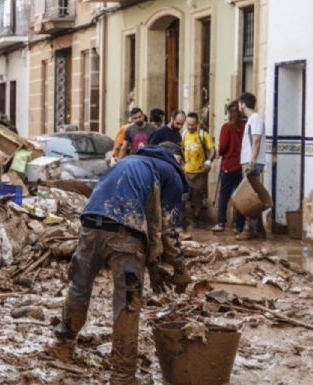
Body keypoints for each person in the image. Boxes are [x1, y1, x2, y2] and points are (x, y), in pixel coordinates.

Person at [48, 143, 191, 385]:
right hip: (126, 234)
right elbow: (166, 227)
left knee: (79, 288)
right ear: (177, 158)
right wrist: (180, 268)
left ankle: (64, 345)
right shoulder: (172, 173)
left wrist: (153, 265)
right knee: (127, 303)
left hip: (90, 225)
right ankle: (122, 376)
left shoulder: (128, 161)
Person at [236, 92, 267, 240]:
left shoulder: (255, 119)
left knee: (249, 197)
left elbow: (256, 141)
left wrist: (252, 162)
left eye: (239, 103)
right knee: (255, 196)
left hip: (251, 163)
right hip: (251, 162)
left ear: (242, 104)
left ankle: (248, 230)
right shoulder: (252, 119)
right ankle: (259, 229)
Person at [212, 101, 246, 233]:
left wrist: (219, 152)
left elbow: (223, 146)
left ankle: (221, 223)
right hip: (240, 166)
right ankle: (239, 226)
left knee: (224, 196)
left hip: (228, 166)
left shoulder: (226, 127)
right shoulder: (243, 127)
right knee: (239, 196)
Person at [181, 112, 216, 227]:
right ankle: (187, 219)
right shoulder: (184, 134)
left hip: (200, 172)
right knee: (186, 197)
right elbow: (181, 150)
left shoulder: (203, 135)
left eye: (193, 125)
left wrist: (208, 161)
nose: (190, 127)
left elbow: (212, 150)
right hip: (187, 171)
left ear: (197, 124)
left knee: (198, 197)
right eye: (188, 125)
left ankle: (196, 219)